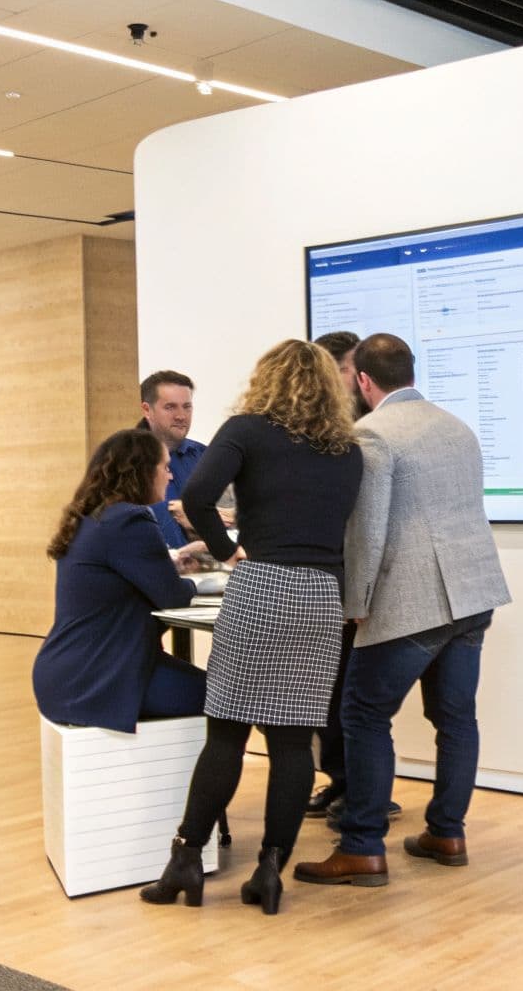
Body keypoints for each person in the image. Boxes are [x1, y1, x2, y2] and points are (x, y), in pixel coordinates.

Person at [141, 340, 362, 916]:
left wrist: (228, 550)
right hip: (320, 596)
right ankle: (270, 870)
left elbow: (196, 498)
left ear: (266, 379)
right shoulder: (346, 449)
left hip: (261, 585)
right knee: (292, 742)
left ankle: (185, 860)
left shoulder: (246, 430)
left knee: (227, 732)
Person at [294, 334, 511, 889]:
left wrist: (356, 602)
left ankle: (362, 846)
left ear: (363, 381)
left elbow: (368, 530)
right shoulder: (457, 426)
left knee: (364, 715)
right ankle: (447, 832)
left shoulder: (372, 434)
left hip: (412, 600)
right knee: (455, 719)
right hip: (473, 593)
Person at [31, 429, 207, 734]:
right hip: (100, 678)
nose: (170, 477)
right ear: (141, 472)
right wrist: (199, 581)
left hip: (69, 673)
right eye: (164, 468)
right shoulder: (131, 520)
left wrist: (169, 566)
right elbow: (174, 596)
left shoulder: (94, 517)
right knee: (229, 699)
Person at [303, 330, 400, 825]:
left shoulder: (373, 431)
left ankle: (365, 792)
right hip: (327, 578)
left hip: (357, 585)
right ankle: (341, 780)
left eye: (337, 368)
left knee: (353, 694)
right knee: (328, 691)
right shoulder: (321, 428)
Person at [139, 370, 208, 549]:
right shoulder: (128, 462)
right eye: (170, 407)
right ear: (147, 409)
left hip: (208, 568)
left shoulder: (205, 456)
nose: (181, 416)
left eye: (187, 406)